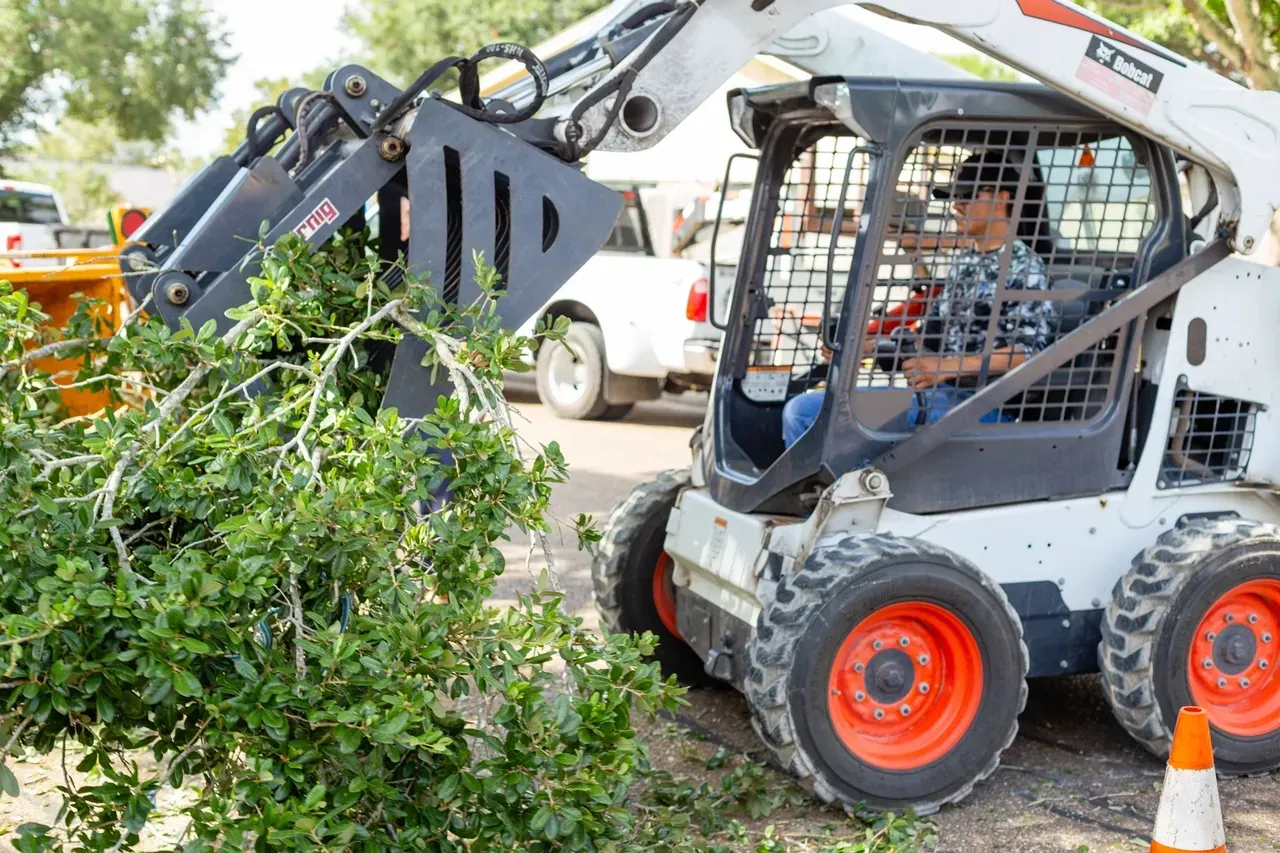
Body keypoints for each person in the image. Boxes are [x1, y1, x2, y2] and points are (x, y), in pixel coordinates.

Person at [781, 149, 1058, 448]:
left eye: (966, 196)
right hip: (942, 396)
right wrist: (864, 348)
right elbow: (932, 332)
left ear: (1002, 198)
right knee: (807, 410)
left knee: (809, 415)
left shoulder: (1025, 268)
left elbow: (1030, 352)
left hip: (985, 407)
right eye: (954, 197)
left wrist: (947, 368)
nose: (956, 206)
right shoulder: (964, 262)